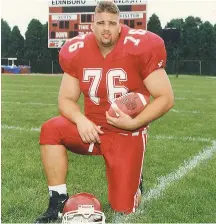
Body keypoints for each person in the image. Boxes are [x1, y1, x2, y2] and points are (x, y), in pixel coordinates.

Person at [35, 1, 174, 223]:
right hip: (91, 129)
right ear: (92, 26)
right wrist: (81, 120)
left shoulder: (140, 47)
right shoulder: (77, 50)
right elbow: (65, 99)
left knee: (123, 209)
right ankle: (57, 201)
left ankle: (134, 182)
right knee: (51, 129)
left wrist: (134, 123)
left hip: (126, 133)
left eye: (112, 23)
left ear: (120, 26)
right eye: (101, 23)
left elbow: (166, 98)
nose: (106, 28)